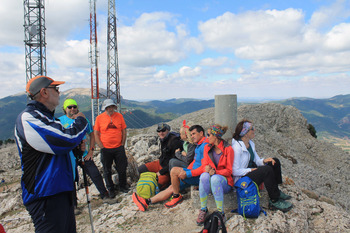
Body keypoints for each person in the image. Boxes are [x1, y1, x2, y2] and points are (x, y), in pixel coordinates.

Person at [15, 75, 88, 232]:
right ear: (44, 92)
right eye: (55, 88)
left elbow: (56, 149)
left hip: (59, 190)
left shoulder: (50, 119)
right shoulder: (28, 118)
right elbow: (66, 139)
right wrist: (81, 120)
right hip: (44, 194)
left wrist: (76, 149)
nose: (59, 92)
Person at [132, 125, 208, 211]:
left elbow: (206, 167)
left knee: (174, 171)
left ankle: (176, 197)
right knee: (172, 187)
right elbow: (194, 162)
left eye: (194, 134)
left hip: (197, 176)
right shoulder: (199, 145)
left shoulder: (205, 146)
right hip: (192, 173)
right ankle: (147, 202)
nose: (192, 136)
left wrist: (188, 173)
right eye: (191, 134)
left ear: (201, 133)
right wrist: (187, 170)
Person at [59, 98, 116, 205]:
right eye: (69, 107)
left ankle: (105, 196)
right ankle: (73, 205)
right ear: (65, 109)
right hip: (69, 155)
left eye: (74, 107)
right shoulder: (60, 121)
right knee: (70, 179)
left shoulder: (83, 119)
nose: (72, 109)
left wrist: (91, 151)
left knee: (95, 174)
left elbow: (91, 134)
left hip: (84, 154)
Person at [232, 119, 293, 213]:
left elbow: (256, 160)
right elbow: (234, 171)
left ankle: (277, 191)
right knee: (267, 170)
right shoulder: (237, 148)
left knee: (274, 162)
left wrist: (264, 160)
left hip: (251, 172)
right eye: (252, 129)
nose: (254, 130)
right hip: (242, 178)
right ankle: (274, 200)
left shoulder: (250, 144)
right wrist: (250, 170)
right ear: (245, 133)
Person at [196, 124, 234, 226]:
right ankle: (203, 209)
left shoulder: (228, 149)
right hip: (212, 179)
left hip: (224, 183)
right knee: (203, 176)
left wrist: (216, 172)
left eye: (208, 135)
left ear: (216, 136)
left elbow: (229, 171)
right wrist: (206, 169)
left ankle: (220, 212)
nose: (207, 137)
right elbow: (204, 164)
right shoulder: (207, 148)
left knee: (215, 179)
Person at [94, 99, 129, 197]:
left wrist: (122, 144)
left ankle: (123, 186)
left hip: (118, 148)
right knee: (107, 170)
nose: (110, 109)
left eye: (111, 107)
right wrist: (101, 146)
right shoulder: (99, 118)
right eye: (108, 107)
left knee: (122, 168)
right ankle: (110, 189)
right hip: (106, 149)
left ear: (114, 107)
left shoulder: (119, 116)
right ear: (105, 108)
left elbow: (124, 130)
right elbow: (96, 133)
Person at [137, 123, 183, 190]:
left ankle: (162, 183)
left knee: (158, 184)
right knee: (140, 169)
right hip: (160, 163)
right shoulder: (163, 139)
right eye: (159, 131)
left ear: (168, 130)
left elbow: (174, 163)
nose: (161, 133)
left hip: (168, 170)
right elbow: (164, 154)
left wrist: (161, 172)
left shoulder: (175, 142)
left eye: (163, 131)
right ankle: (148, 180)